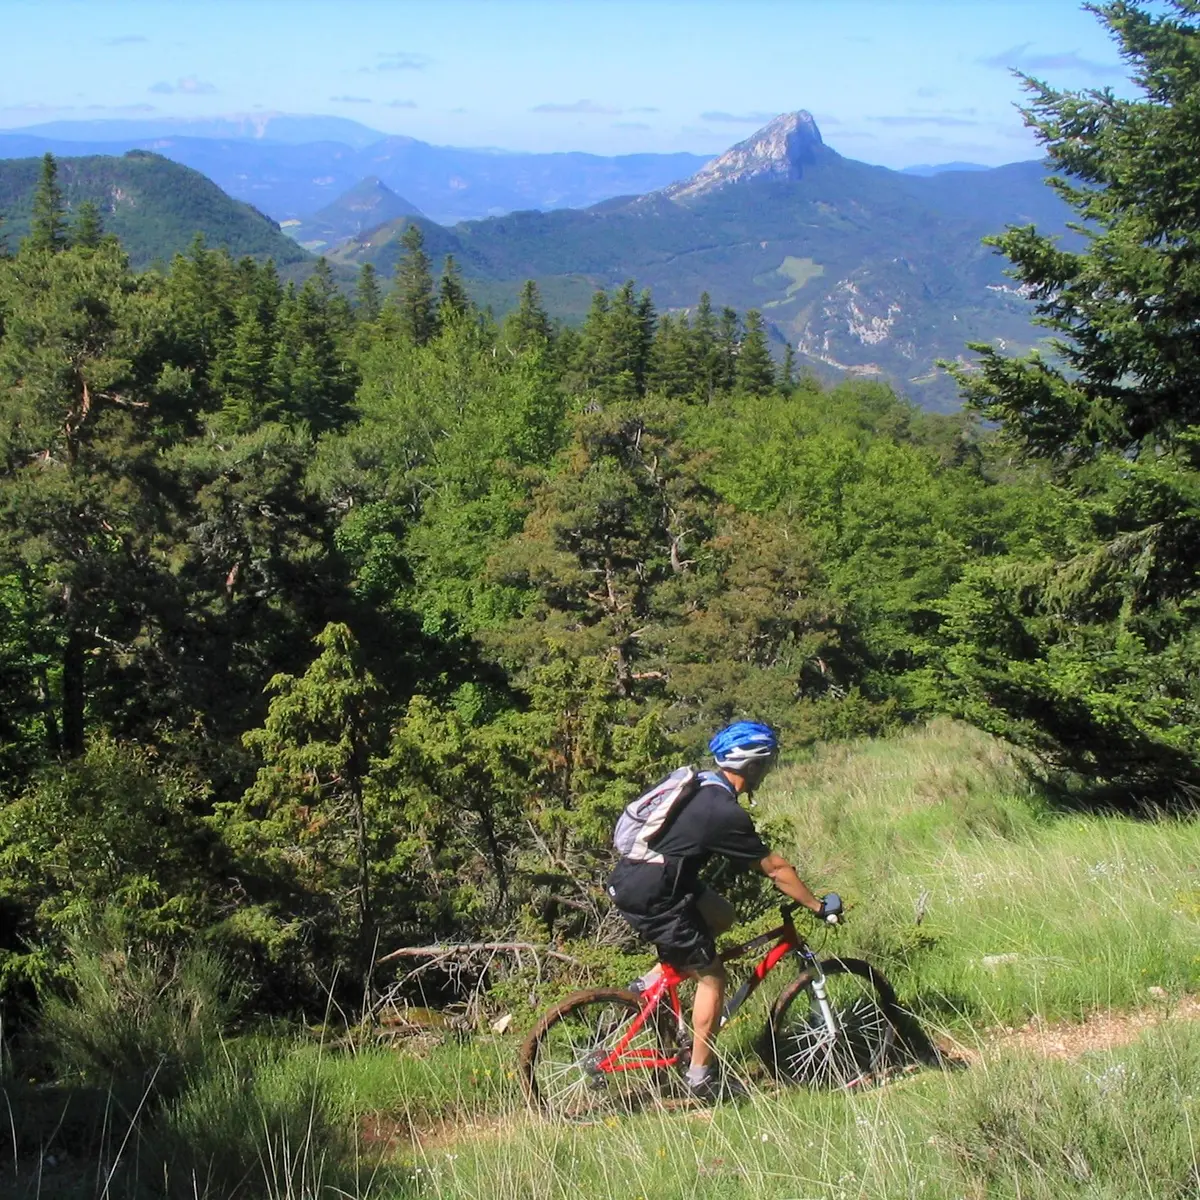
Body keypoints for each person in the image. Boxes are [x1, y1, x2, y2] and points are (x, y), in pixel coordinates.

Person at [606, 720, 840, 1102]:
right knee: (714, 977)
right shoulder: (723, 812)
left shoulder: (704, 786)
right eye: (767, 762)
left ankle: (651, 984)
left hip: (644, 877)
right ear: (752, 765)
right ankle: (701, 1078)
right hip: (654, 891)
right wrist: (816, 905)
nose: (768, 769)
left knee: (721, 914)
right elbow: (777, 869)